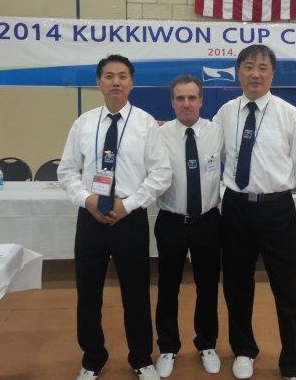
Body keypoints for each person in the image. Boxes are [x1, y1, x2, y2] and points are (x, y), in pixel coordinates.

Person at [213, 44, 296, 380]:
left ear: (273, 73)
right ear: (238, 72)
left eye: (262, 67)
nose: (255, 74)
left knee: (287, 290)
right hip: (235, 210)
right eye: (248, 66)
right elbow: (209, 160)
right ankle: (244, 351)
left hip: (277, 211)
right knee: (236, 286)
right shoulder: (226, 113)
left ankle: (294, 365)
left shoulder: (289, 114)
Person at [57, 54, 172, 380]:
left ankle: (141, 359)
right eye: (109, 76)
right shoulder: (83, 123)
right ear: (99, 82)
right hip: (90, 217)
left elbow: (160, 174)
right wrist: (88, 199)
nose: (116, 82)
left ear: (131, 83)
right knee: (88, 292)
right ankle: (93, 357)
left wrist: (130, 204)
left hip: (129, 218)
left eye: (122, 76)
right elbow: (66, 171)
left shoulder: (147, 124)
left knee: (135, 292)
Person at [154, 75, 224, 378]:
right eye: (180, 98)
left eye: (192, 97)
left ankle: (206, 343)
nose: (186, 103)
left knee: (208, 287)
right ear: (172, 102)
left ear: (201, 100)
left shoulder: (216, 132)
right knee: (168, 288)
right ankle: (168, 347)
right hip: (171, 221)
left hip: (208, 221)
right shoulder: (158, 134)